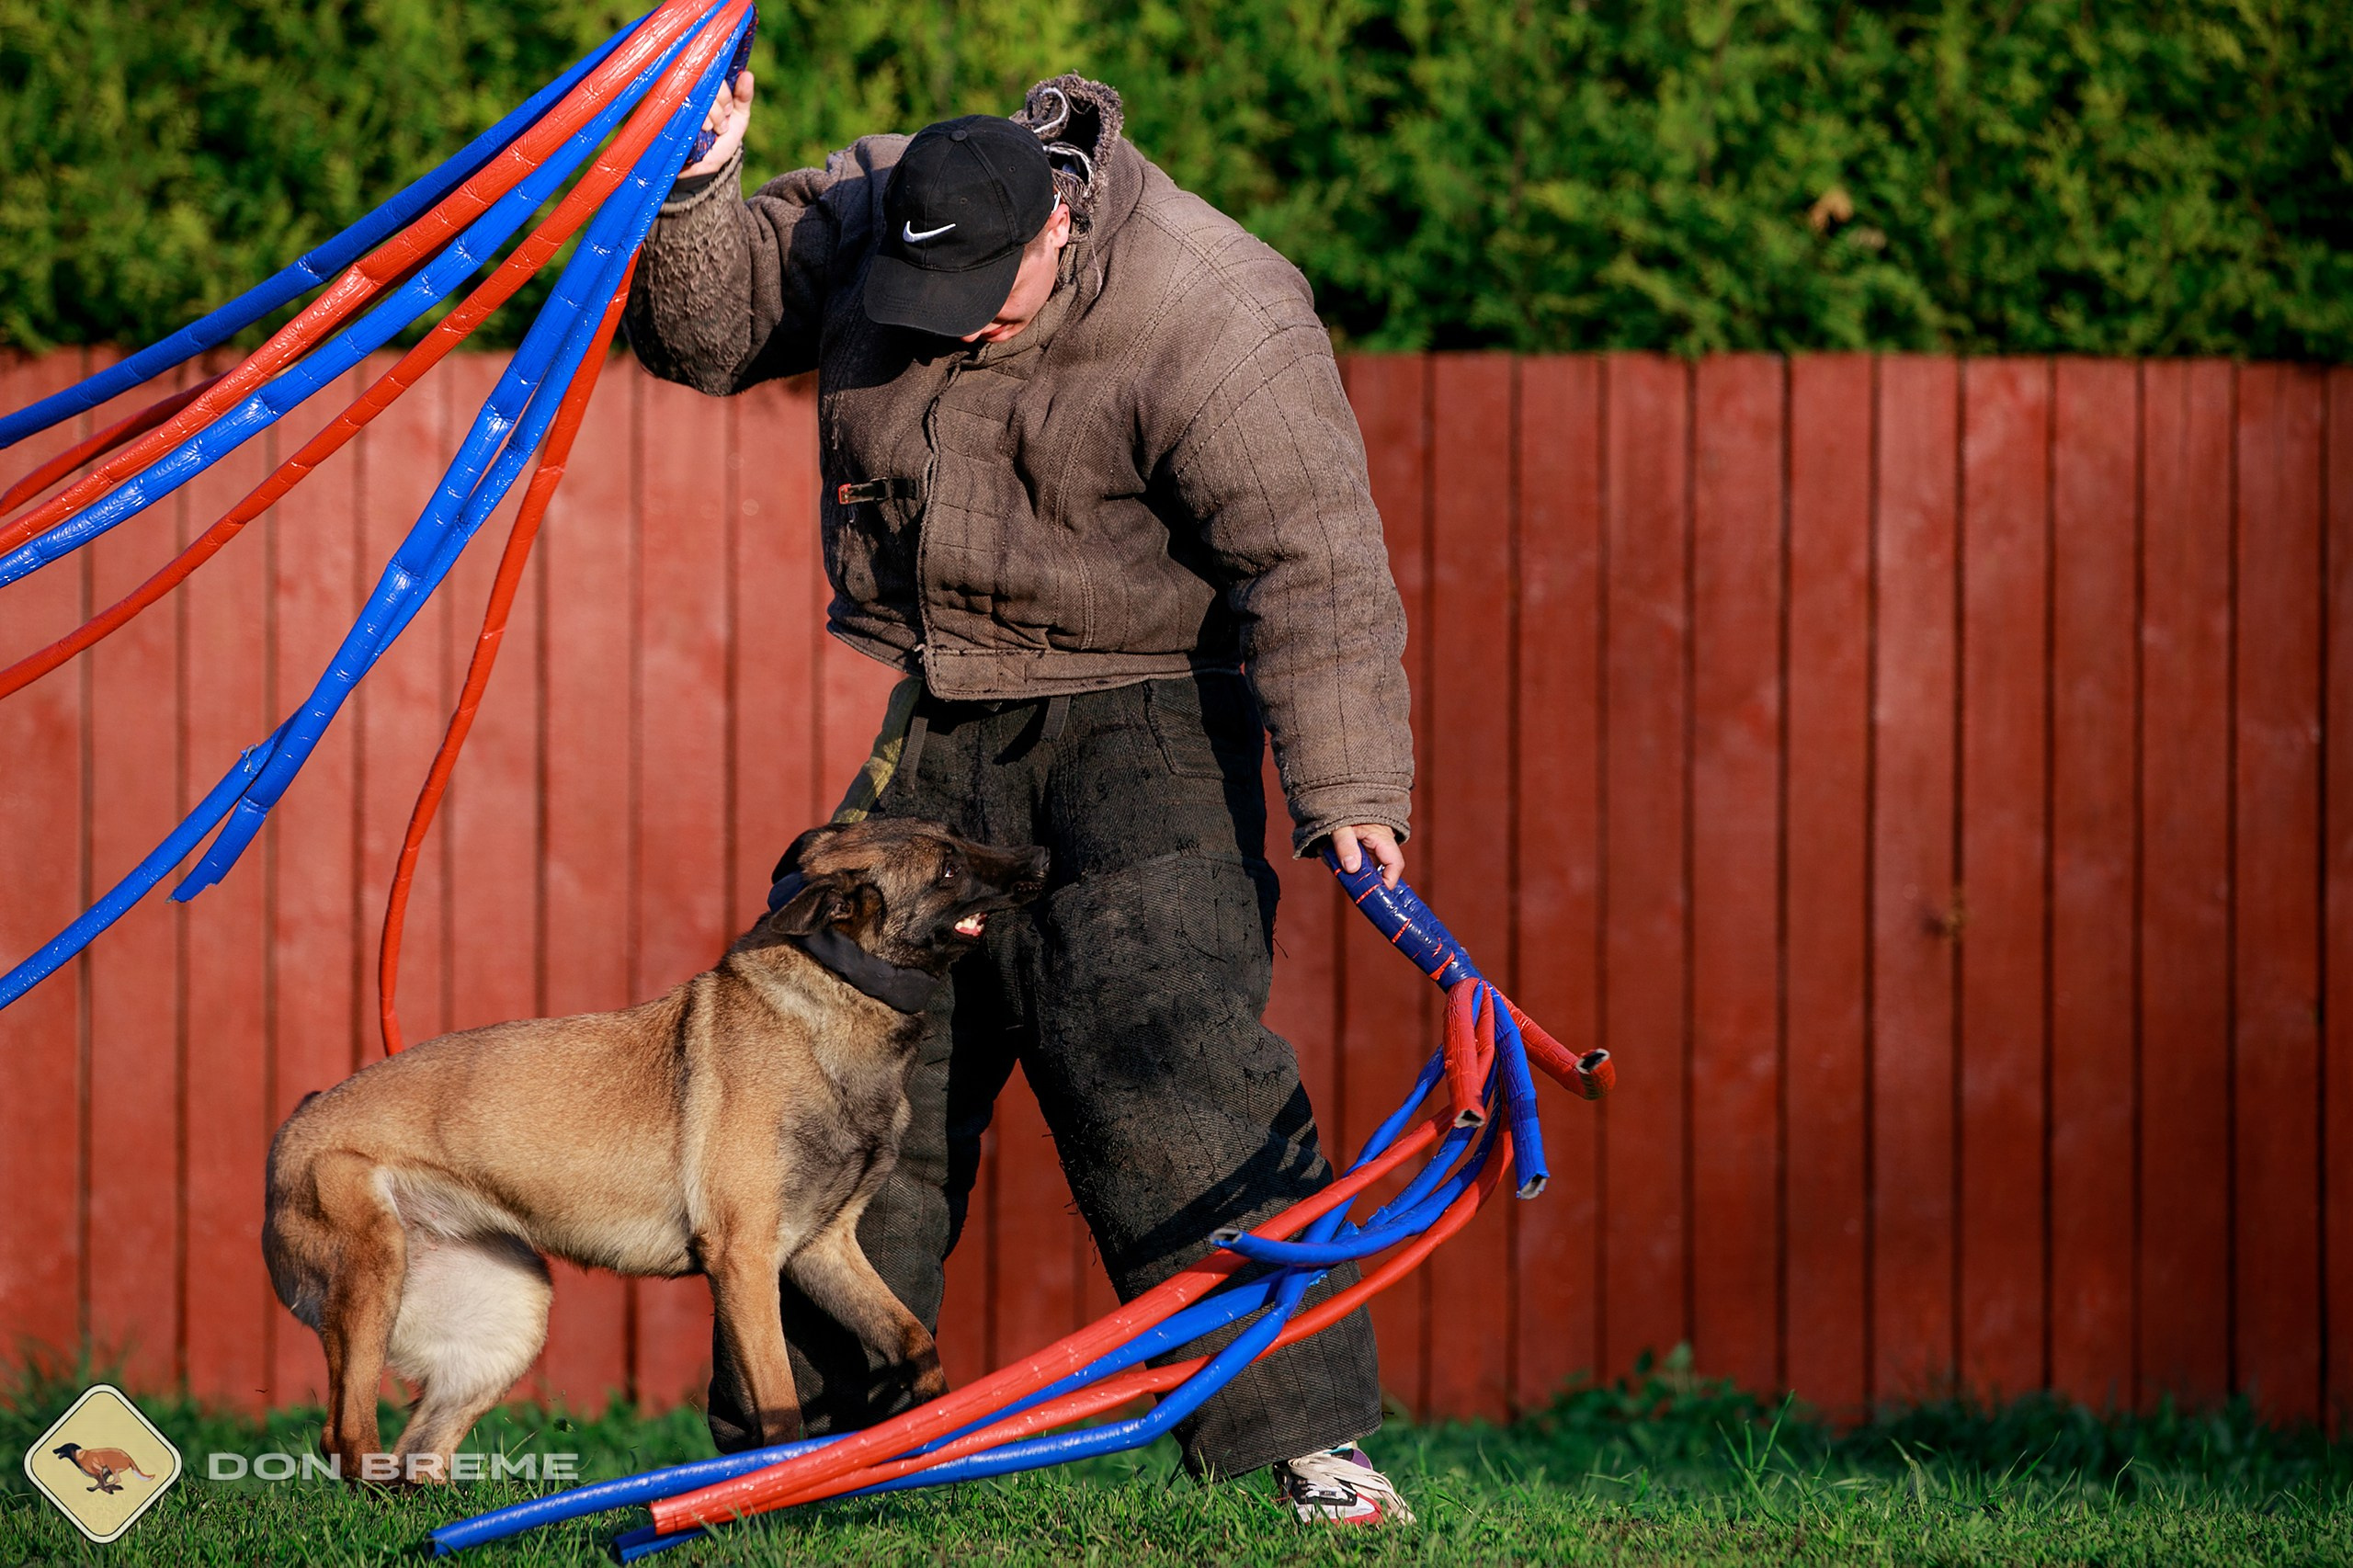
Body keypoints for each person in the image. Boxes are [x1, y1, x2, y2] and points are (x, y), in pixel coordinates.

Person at [624, 71, 1417, 1525]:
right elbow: (707, 327)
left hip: (1149, 712)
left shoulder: (1213, 306)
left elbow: (1317, 561)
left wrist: (1353, 783)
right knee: (837, 1064)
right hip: (942, 710)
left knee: (1168, 1060)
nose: (968, 323)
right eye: (940, 300)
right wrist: (692, 184)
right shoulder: (880, 211)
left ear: (1063, 224)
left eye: (994, 294)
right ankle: (793, 1451)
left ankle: (1311, 1443)